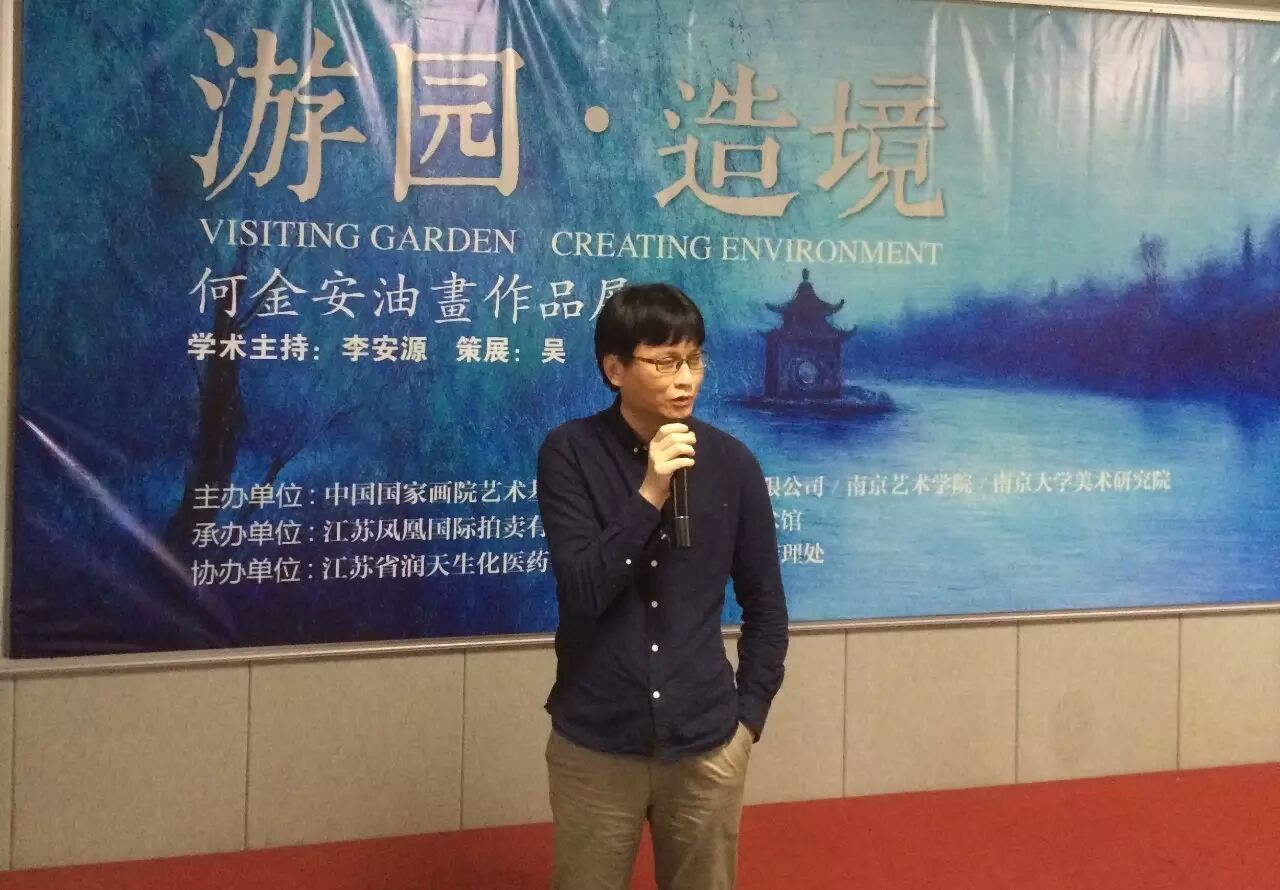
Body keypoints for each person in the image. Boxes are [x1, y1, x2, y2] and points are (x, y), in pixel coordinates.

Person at [536, 282, 789, 890]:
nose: (685, 379)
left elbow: (765, 604)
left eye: (694, 359)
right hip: (598, 738)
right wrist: (650, 493)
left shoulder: (732, 464)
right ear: (614, 369)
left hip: (707, 741)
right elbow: (583, 591)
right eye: (665, 362)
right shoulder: (569, 453)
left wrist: (748, 719)